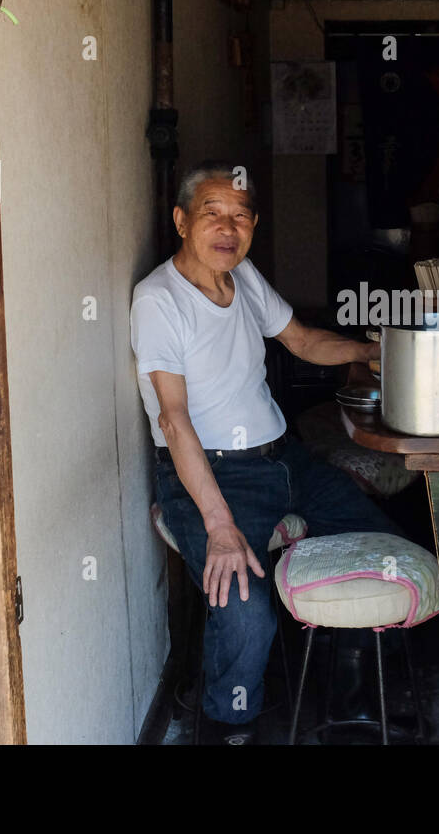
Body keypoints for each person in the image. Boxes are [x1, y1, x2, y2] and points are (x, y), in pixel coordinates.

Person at [130, 159, 402, 745]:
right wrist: (219, 524)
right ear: (181, 221)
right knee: (244, 608)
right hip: (211, 478)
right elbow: (174, 422)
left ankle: (350, 692)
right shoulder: (158, 301)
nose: (228, 227)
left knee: (381, 543)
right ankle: (229, 726)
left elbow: (301, 340)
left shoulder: (243, 276)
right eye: (212, 213)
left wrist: (375, 353)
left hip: (285, 460)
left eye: (242, 216)